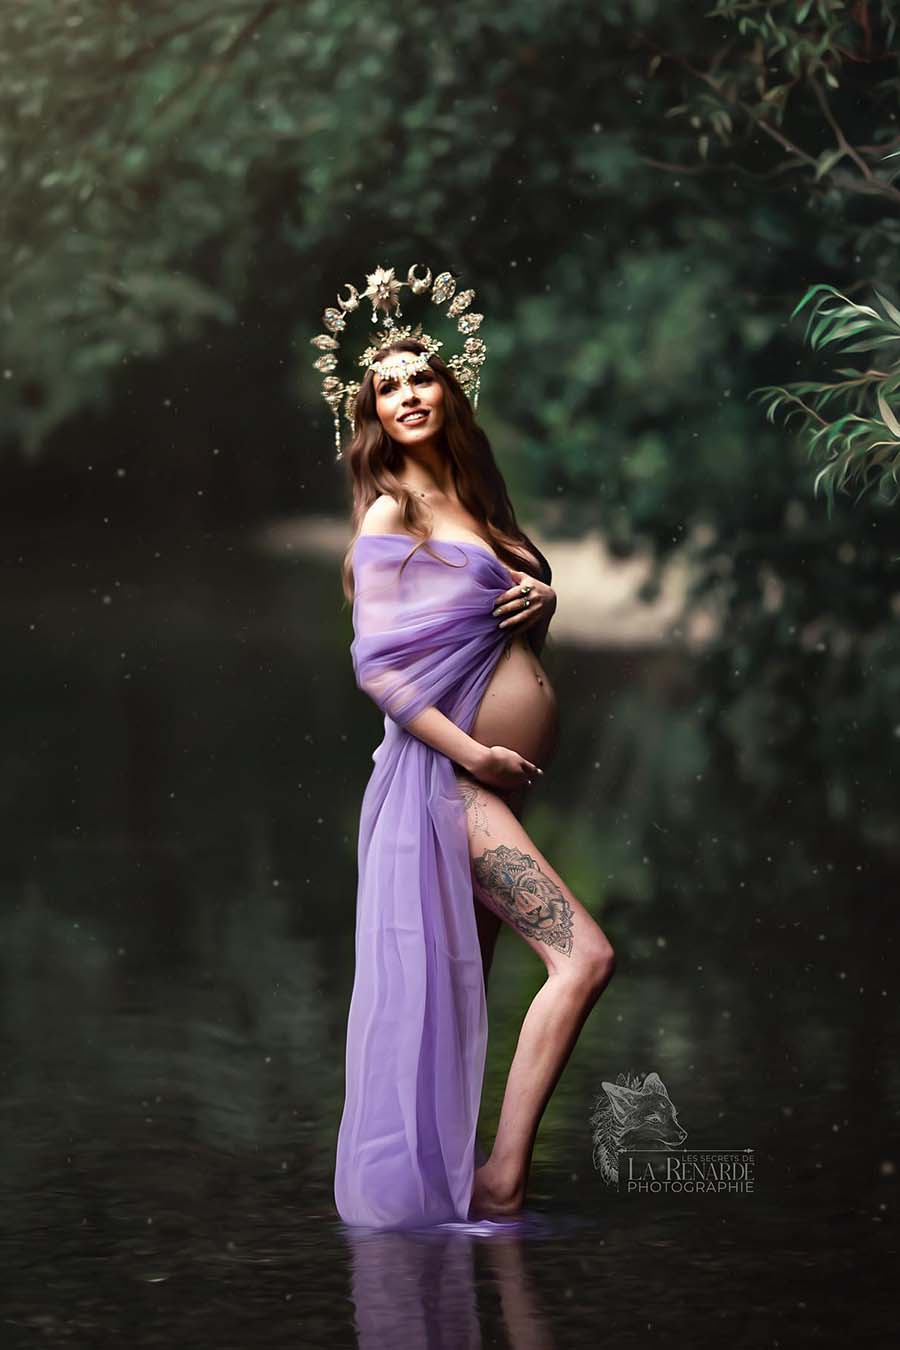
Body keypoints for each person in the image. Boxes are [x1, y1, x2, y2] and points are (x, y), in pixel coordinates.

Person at [316, 265, 616, 1230]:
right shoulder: (389, 512)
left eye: (421, 377)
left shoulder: (477, 507)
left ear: (450, 391)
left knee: (462, 995)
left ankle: (457, 1196)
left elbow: (496, 615)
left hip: (489, 790)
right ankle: (500, 1181)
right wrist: (476, 758)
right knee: (583, 961)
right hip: (449, 787)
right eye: (387, 386)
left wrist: (548, 593)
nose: (407, 394)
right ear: (371, 412)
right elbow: (378, 670)